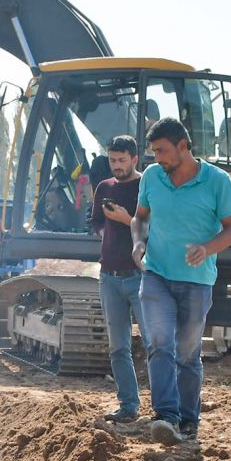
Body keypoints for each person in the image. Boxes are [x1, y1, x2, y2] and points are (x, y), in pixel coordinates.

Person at [130, 117, 231, 444]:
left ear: (183, 146)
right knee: (160, 343)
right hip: (157, 275)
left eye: (162, 151)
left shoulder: (217, 181)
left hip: (197, 281)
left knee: (187, 354)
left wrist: (206, 249)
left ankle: (189, 420)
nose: (157, 158)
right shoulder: (152, 177)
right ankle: (166, 416)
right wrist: (138, 241)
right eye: (153, 152)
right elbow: (140, 217)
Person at [90, 135, 144, 422]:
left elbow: (153, 225)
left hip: (139, 276)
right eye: (112, 160)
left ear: (135, 159)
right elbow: (96, 220)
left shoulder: (147, 185)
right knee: (118, 347)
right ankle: (128, 406)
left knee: (154, 343)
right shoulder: (104, 187)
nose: (117, 166)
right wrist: (106, 231)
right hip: (109, 276)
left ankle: (166, 408)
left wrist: (126, 220)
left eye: (122, 160)